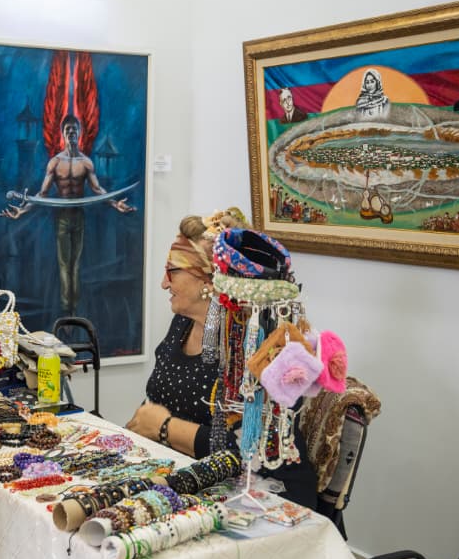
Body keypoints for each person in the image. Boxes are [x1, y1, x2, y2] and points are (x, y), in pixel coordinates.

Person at [125, 213, 318, 508]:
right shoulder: (182, 323)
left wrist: (165, 427)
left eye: (172, 271)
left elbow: (252, 449)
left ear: (209, 279)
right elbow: (158, 399)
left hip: (260, 494)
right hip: (192, 475)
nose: (164, 283)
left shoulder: (257, 343)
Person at [1, 114, 134, 315]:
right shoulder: (55, 163)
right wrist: (22, 210)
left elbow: (97, 189)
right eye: (67, 130)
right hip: (62, 216)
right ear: (63, 134)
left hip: (78, 215)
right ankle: (66, 310)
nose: (71, 132)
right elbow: (42, 194)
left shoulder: (86, 163)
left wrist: (116, 204)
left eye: (74, 129)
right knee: (64, 264)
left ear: (79, 133)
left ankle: (74, 311)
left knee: (76, 264)